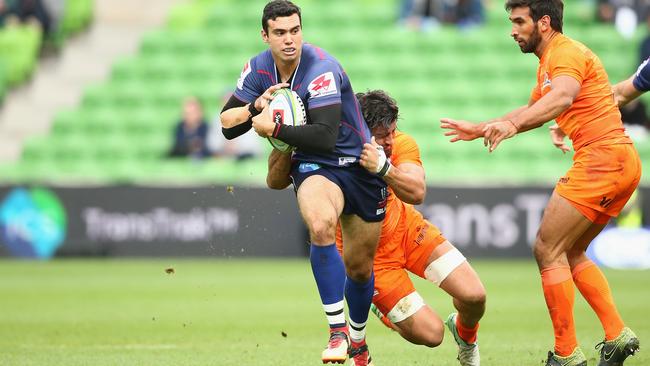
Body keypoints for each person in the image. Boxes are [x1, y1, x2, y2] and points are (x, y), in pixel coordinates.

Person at [440, 1, 641, 365]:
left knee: (546, 249)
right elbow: (532, 107)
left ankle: (566, 355)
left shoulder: (565, 54)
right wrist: (482, 127)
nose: (512, 30)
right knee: (571, 250)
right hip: (620, 160)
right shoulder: (550, 62)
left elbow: (562, 96)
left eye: (519, 21)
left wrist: (514, 126)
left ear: (543, 23)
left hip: (600, 159)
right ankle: (616, 335)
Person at [219, 1, 386, 364]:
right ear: (266, 35)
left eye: (295, 31)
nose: (289, 40)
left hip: (356, 165)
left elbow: (326, 135)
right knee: (321, 225)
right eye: (279, 33)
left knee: (359, 268)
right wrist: (253, 109)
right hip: (314, 165)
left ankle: (358, 341)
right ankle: (337, 331)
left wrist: (273, 127)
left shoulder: (321, 68)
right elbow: (226, 126)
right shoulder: (257, 68)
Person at [267, 90, 486, 366]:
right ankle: (368, 297)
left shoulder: (401, 144)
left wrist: (384, 168)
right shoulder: (329, 150)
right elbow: (274, 181)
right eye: (382, 134)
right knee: (433, 335)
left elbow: (417, 192)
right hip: (371, 259)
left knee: (475, 296)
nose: (391, 140)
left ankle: (467, 340)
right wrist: (287, 138)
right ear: (360, 130)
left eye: (393, 131)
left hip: (409, 232)